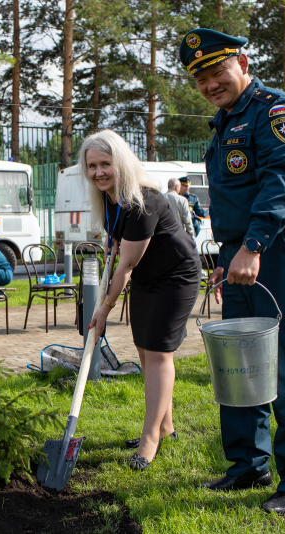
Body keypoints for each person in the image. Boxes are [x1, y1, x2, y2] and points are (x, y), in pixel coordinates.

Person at [179, 29, 285, 515]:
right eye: (200, 77)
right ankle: (247, 464)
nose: (209, 83)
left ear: (242, 61)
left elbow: (283, 183)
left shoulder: (276, 112)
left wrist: (254, 246)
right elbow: (231, 199)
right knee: (238, 358)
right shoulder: (225, 123)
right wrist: (229, 256)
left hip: (281, 249)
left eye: (217, 70)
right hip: (240, 254)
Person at [85, 130, 201, 472]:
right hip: (148, 278)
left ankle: (150, 439)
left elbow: (127, 265)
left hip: (176, 277)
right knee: (143, 349)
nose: (99, 172)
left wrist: (103, 309)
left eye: (106, 164)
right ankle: (165, 426)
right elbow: (118, 248)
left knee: (159, 353)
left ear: (121, 162)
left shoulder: (143, 200)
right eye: (92, 166)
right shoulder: (108, 198)